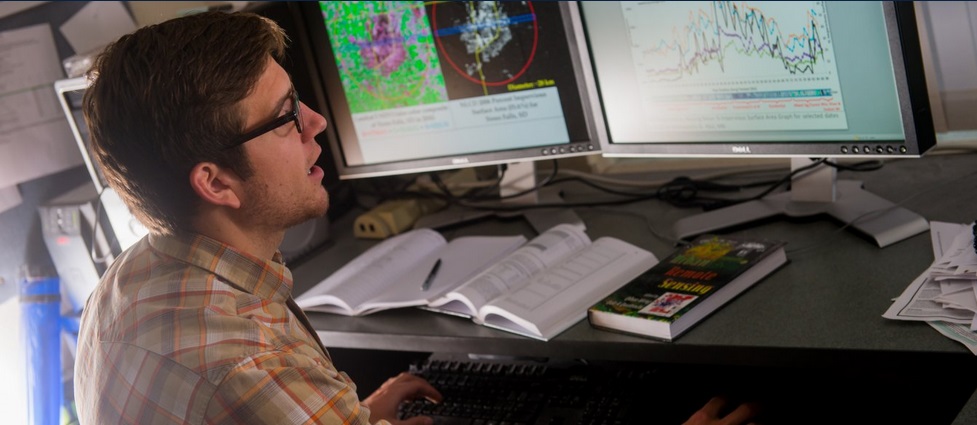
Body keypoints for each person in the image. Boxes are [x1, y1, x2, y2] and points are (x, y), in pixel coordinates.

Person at [73, 10, 759, 425]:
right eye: (285, 119)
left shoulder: (136, 274)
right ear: (214, 181)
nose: (316, 123)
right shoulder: (243, 361)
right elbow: (244, 387)